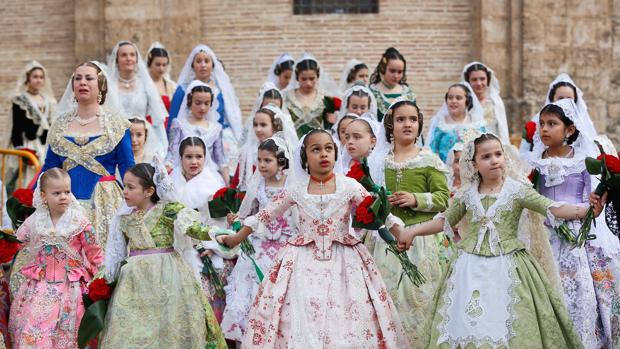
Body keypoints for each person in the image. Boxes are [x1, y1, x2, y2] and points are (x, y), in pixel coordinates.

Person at [397, 131, 604, 348]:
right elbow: (444, 221)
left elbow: (552, 207)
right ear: (474, 164)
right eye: (486, 157)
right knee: (465, 323)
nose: (494, 160)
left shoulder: (517, 190)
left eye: (498, 154)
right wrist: (412, 231)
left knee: (510, 320)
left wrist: (587, 210)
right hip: (468, 266)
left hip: (510, 264)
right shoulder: (467, 194)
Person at [218, 129, 410, 348]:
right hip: (301, 261)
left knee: (349, 317)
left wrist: (401, 235)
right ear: (305, 157)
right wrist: (236, 238)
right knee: (301, 314)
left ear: (335, 153)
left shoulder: (350, 186)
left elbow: (380, 213)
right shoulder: (296, 189)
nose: (323, 154)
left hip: (346, 262)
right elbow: (264, 215)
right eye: (316, 149)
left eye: (328, 149)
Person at [100, 161, 227, 349]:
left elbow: (193, 227)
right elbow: (116, 253)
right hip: (135, 281)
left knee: (169, 325)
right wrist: (105, 279)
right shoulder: (124, 217)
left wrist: (217, 235)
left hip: (168, 276)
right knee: (133, 328)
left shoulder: (168, 210)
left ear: (149, 191)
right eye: (124, 186)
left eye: (130, 187)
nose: (124, 191)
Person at [527, 98, 620, 347]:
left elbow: (594, 207)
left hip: (577, 237)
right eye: (542, 124)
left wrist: (595, 204)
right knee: (548, 290)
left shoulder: (582, 160)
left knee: (579, 292)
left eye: (552, 124)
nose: (544, 129)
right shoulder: (534, 162)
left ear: (569, 130)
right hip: (544, 236)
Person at [41, 61, 134, 247]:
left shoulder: (116, 124)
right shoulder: (60, 125)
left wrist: (140, 200)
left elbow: (127, 166)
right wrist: (33, 194)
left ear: (100, 85)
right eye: (78, 78)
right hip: (65, 202)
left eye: (89, 78)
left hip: (104, 204)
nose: (82, 82)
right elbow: (50, 168)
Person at [9, 168, 103, 349]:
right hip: (39, 286)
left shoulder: (80, 222)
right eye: (57, 193)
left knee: (68, 329)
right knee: (33, 325)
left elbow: (95, 253)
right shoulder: (35, 221)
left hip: (71, 287)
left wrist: (102, 281)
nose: (63, 197)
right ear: (44, 196)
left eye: (67, 192)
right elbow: (16, 242)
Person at [220, 134, 297, 343]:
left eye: (267, 160)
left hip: (284, 246)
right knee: (244, 289)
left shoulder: (292, 185)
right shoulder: (258, 185)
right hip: (257, 245)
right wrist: (236, 219)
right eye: (259, 160)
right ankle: (245, 338)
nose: (262, 165)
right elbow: (249, 213)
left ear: (281, 161)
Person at [107, 41, 168, 157]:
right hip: (115, 138)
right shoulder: (110, 85)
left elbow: (157, 118)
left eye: (132, 55)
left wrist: (163, 143)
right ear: (116, 60)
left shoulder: (145, 84)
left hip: (142, 138)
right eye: (124, 55)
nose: (128, 58)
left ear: (136, 59)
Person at [166, 80, 228, 185]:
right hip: (184, 173)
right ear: (190, 102)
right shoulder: (179, 124)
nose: (202, 108)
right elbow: (172, 153)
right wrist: (166, 171)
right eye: (198, 103)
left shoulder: (216, 128)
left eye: (206, 103)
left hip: (209, 175)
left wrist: (227, 181)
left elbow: (220, 158)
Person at [426, 82, 487, 162]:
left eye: (458, 98)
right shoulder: (440, 124)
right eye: (450, 98)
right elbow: (430, 151)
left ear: (467, 100)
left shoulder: (477, 123)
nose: (453, 101)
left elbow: (486, 147)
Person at [284, 52, 339, 136]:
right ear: (297, 77)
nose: (308, 83)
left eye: (312, 78)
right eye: (304, 79)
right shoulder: (286, 98)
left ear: (317, 76)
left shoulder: (326, 99)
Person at [462, 62, 509, 142]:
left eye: (482, 79)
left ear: (488, 80)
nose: (479, 83)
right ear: (468, 82)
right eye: (474, 80)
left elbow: (502, 130)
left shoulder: (496, 103)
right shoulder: (463, 103)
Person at [369, 47, 416, 121]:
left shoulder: (408, 93)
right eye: (392, 71)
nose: (396, 76)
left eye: (400, 72)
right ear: (383, 68)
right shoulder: (371, 92)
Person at [145, 42, 177, 114]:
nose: (161, 68)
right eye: (158, 64)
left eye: (164, 65)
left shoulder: (172, 86)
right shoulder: (143, 84)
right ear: (150, 64)